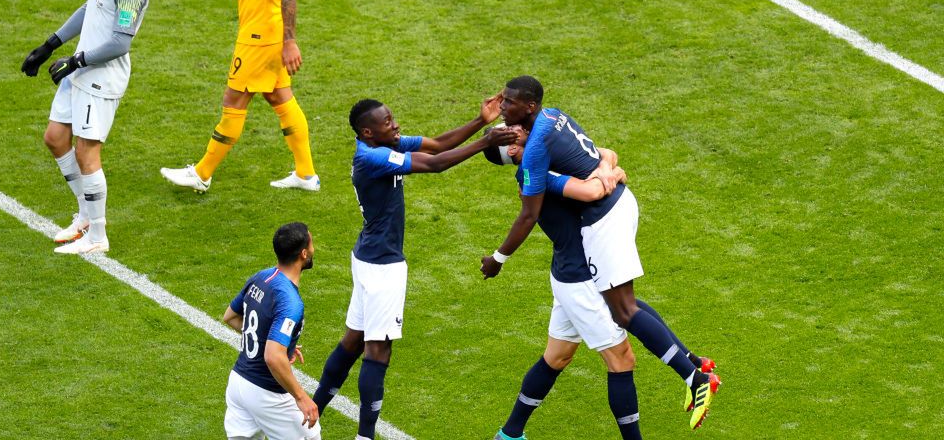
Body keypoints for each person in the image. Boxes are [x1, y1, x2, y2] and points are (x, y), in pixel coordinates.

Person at [481, 76, 720, 430]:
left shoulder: (543, 149)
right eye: (507, 134)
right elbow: (592, 188)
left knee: (582, 340)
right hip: (578, 279)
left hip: (572, 271)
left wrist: (606, 168)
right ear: (511, 152)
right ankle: (693, 373)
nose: (508, 125)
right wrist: (607, 174)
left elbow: (603, 157)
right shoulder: (537, 171)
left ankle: (510, 433)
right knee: (607, 355)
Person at [311, 95, 517, 440]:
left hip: (367, 257)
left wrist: (480, 121)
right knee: (378, 350)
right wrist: (486, 142)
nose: (396, 125)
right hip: (382, 267)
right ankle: (364, 436)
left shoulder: (382, 143)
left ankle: (311, 413)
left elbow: (436, 146)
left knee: (353, 341)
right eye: (388, 121)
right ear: (368, 131)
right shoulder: (373, 157)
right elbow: (435, 165)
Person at [160, 0, 318, 193]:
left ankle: (202, 173)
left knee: (234, 98)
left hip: (261, 37)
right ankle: (306, 174)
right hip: (261, 34)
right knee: (279, 97)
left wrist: (290, 41)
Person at [21, 0, 149, 255]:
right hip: (79, 70)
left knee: (86, 152)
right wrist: (49, 45)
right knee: (55, 137)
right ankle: (85, 215)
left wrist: (75, 59)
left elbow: (121, 41)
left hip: (101, 77)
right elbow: (88, 9)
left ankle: (97, 237)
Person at [222, 222, 321, 440]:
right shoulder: (291, 302)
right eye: (312, 244)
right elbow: (273, 357)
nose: (314, 249)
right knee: (310, 436)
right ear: (304, 254)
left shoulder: (262, 277)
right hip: (266, 393)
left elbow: (230, 316)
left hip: (238, 384)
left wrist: (278, 343)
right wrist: (301, 396)